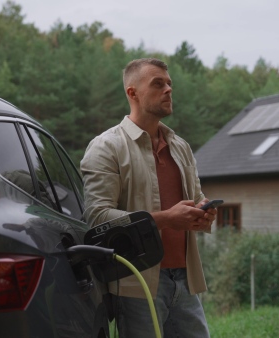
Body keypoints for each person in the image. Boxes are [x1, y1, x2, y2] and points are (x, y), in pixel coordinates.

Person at [81, 58, 216, 338]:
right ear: (132, 93)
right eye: (158, 84)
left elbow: (197, 198)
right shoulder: (106, 147)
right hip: (137, 285)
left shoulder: (181, 147)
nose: (168, 89)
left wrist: (203, 214)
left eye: (169, 84)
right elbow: (97, 218)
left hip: (185, 280)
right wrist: (167, 219)